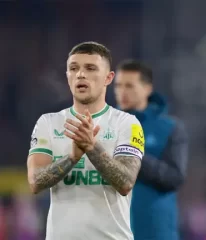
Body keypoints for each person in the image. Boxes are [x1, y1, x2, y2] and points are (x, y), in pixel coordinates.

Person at [27, 42, 144, 240]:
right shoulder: (48, 122)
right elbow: (35, 182)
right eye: (74, 68)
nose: (80, 74)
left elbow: (125, 182)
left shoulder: (127, 123)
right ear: (67, 76)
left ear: (108, 78)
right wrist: (72, 158)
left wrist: (91, 147)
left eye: (90, 68)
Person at [114, 59, 188, 240]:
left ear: (147, 88)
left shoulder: (170, 128)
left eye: (130, 86)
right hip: (112, 229)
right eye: (118, 85)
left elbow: (174, 178)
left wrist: (134, 156)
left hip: (155, 231)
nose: (122, 92)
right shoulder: (105, 126)